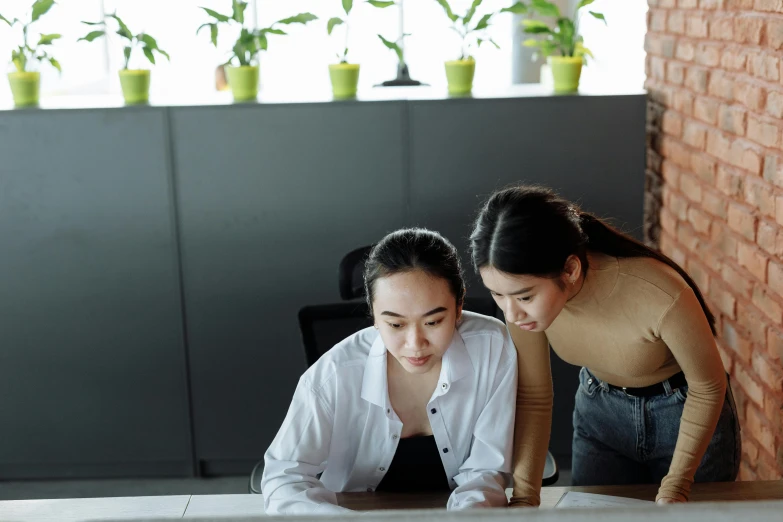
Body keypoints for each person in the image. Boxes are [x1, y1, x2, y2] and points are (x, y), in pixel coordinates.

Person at [469, 185, 739, 506]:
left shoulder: (659, 292)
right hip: (600, 414)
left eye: (525, 296)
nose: (511, 313)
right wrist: (525, 495)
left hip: (682, 413)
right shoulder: (520, 308)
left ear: (570, 269)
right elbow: (534, 397)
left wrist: (677, 485)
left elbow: (708, 387)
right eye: (498, 294)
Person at [261, 228, 517, 514]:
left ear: (459, 307)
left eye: (433, 322)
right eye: (395, 325)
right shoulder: (335, 373)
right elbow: (283, 478)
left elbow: (486, 470)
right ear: (373, 313)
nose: (415, 344)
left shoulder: (493, 347)